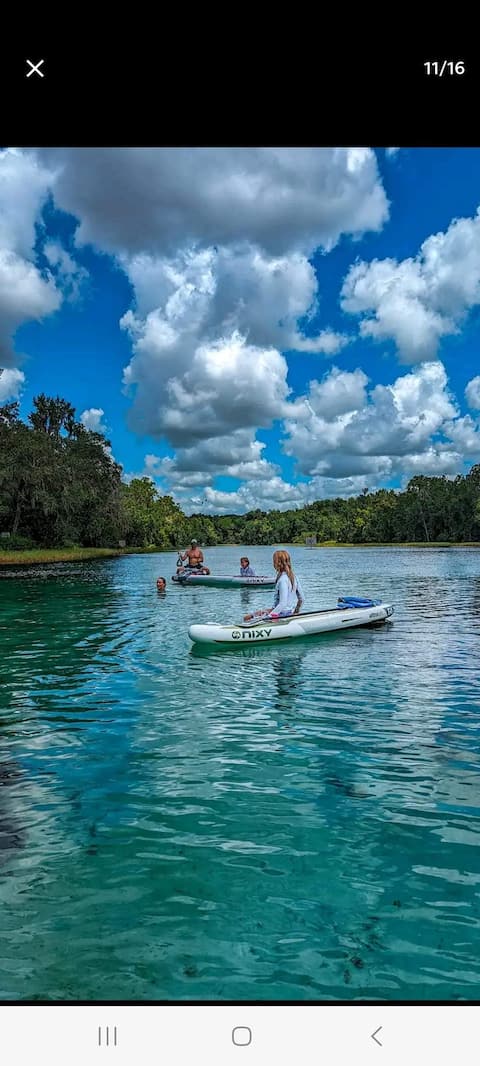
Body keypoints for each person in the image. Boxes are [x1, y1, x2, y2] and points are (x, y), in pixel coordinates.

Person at [244, 550, 303, 622]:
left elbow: (282, 604)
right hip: (288, 612)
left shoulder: (282, 580)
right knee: (249, 616)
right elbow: (302, 599)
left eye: (274, 561)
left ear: (278, 563)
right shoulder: (295, 577)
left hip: (280, 613)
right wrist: (295, 612)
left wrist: (269, 618)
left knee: (247, 618)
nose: (273, 563)